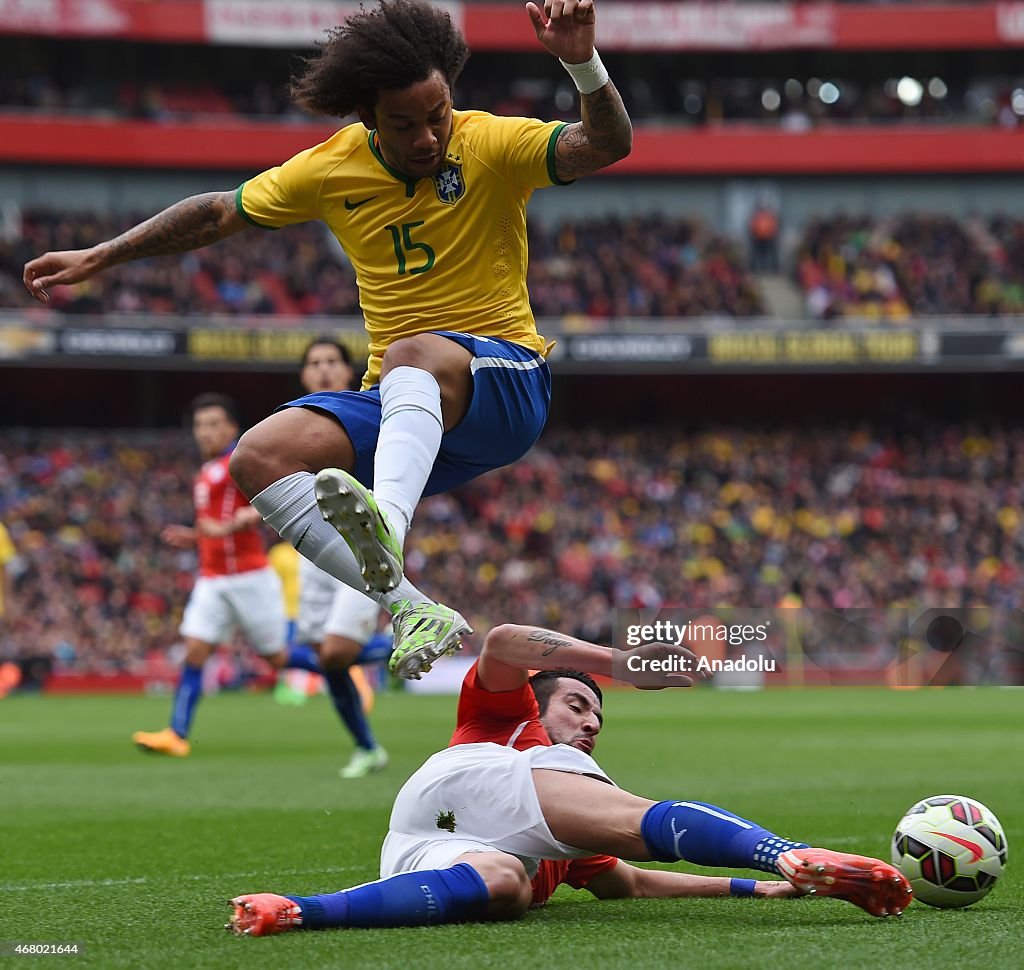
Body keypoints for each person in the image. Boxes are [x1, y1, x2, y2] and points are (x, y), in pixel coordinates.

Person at [23, 0, 633, 682]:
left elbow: (606, 144)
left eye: (438, 114)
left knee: (411, 351)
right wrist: (101, 255)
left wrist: (581, 61)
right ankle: (411, 610)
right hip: (411, 407)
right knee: (257, 456)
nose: (430, 135)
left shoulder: (491, 143)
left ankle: (388, 526)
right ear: (367, 118)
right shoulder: (330, 168)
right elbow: (220, 211)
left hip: (507, 381)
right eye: (406, 124)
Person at [226, 626, 912, 934]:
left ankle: (295, 910)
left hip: (425, 853)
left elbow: (631, 881)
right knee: (592, 798)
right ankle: (784, 847)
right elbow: (501, 644)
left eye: (599, 714)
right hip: (469, 783)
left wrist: (756, 891)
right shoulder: (506, 718)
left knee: (506, 887)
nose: (590, 722)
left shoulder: (564, 824)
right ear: (539, 700)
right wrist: (617, 663)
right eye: (577, 705)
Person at [132, 394, 307, 756]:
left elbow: (262, 503)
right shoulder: (206, 471)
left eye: (213, 424)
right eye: (199, 425)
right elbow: (216, 525)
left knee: (277, 658)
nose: (204, 432)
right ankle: (176, 734)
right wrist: (194, 535)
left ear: (231, 428)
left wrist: (240, 521)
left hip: (250, 576)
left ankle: (350, 665)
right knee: (195, 650)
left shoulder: (240, 462)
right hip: (212, 577)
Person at [291, 337, 396, 778]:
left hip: (360, 543)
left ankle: (421, 638)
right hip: (311, 546)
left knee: (336, 654)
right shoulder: (289, 421)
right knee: (323, 655)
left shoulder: (369, 411)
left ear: (350, 371)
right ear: (304, 374)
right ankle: (367, 747)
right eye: (315, 363)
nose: (323, 369)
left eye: (332, 361)